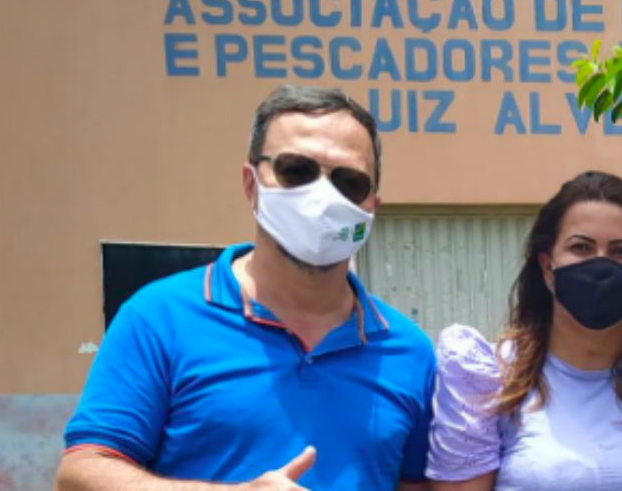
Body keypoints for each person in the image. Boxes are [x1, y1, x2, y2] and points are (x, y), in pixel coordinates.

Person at [56, 85, 434, 490]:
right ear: (251, 183)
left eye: (349, 181)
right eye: (296, 170)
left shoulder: (409, 350)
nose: (322, 195)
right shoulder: (158, 318)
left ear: (372, 205)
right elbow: (81, 474)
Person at [426, 171, 622, 491]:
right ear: (547, 267)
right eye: (581, 247)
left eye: (621, 251)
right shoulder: (488, 380)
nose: (601, 265)